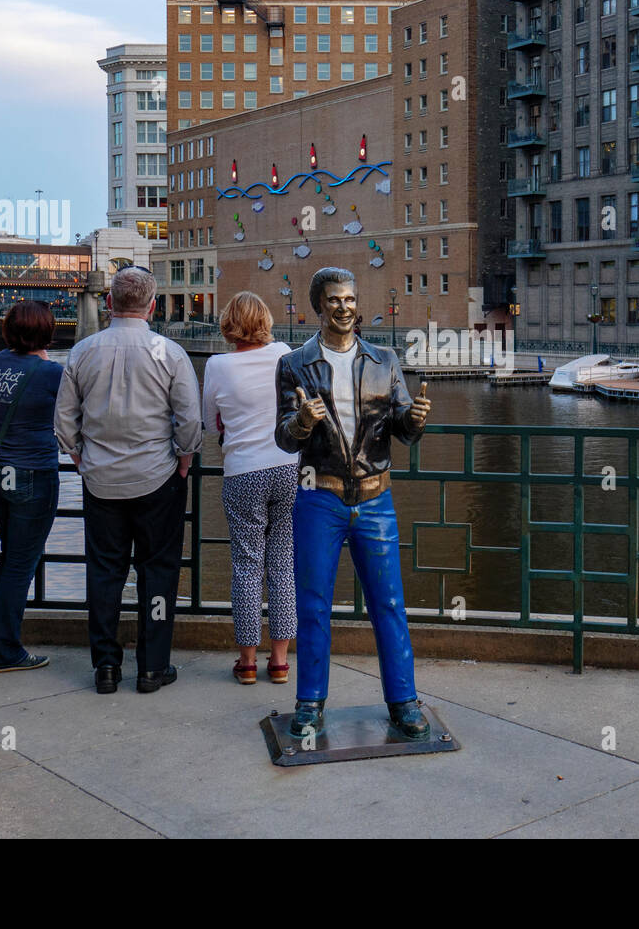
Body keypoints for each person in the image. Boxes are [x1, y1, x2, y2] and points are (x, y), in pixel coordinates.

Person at [275, 267, 432, 741]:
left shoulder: (385, 360)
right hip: (317, 496)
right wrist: (302, 420)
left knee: (389, 603)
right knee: (314, 604)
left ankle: (404, 701)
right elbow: (283, 439)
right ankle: (310, 703)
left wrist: (415, 418)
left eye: (349, 299)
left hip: (375, 498)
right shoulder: (295, 364)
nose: (343, 308)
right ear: (317, 307)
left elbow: (402, 429)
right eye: (333, 300)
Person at [54, 267, 202, 694]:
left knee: (104, 573)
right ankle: (153, 667)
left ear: (109, 304)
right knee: (157, 573)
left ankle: (105, 666)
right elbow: (190, 421)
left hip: (100, 480)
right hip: (158, 478)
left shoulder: (82, 352)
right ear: (153, 306)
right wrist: (185, 459)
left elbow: (64, 421)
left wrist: (80, 456)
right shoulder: (170, 353)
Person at [0, 302, 63, 674]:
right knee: (21, 564)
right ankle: (5, 652)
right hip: (34, 474)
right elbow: (70, 414)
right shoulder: (53, 373)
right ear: (47, 332)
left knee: (8, 558)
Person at [202, 291, 298, 686]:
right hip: (288, 467)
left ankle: (246, 662)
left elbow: (209, 423)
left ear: (229, 324)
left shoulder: (217, 365)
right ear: (265, 321)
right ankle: (279, 662)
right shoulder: (285, 354)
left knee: (246, 564)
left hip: (243, 472)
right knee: (282, 562)